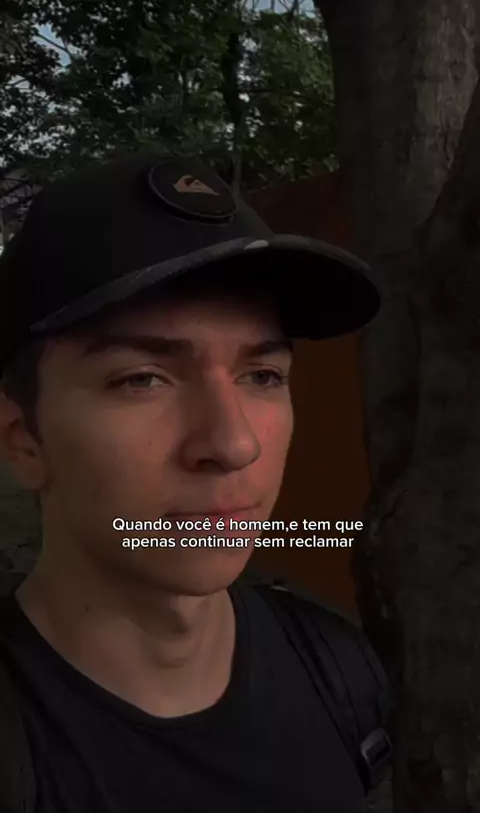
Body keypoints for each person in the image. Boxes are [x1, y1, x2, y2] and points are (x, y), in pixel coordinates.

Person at [0, 151, 389, 813]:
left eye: (262, 376)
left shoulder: (338, 670)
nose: (234, 445)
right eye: (141, 379)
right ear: (23, 440)